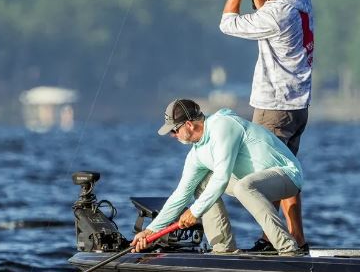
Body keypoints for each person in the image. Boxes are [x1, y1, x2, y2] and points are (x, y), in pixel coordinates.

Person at [219, 0, 314, 250]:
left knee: (261, 178)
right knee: (287, 172)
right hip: (296, 106)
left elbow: (227, 24)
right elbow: (269, 6)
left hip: (275, 107)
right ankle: (295, 237)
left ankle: (273, 240)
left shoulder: (279, 14)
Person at [130, 99, 304, 256]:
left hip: (287, 175)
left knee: (243, 187)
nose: (172, 135)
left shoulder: (222, 126)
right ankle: (224, 249)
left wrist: (195, 211)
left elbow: (221, 178)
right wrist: (151, 230)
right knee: (202, 184)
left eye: (175, 130)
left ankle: (288, 249)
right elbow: (180, 195)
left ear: (189, 124)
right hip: (252, 182)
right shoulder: (196, 154)